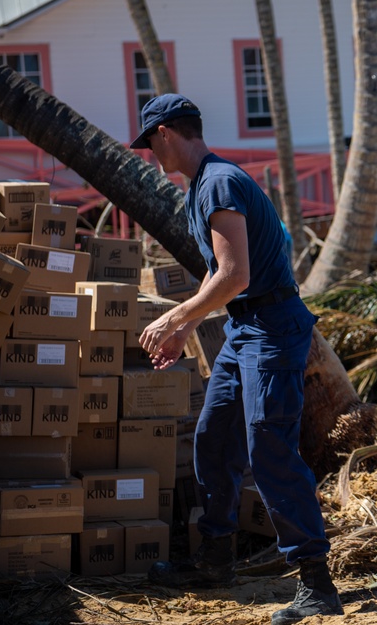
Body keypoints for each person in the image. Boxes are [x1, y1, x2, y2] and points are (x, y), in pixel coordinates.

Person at [130, 94, 342, 625]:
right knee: (214, 438)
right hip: (245, 328)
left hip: (272, 328)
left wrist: (173, 318)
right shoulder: (204, 186)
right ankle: (215, 559)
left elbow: (236, 276)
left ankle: (317, 583)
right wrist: (192, 325)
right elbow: (218, 275)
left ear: (165, 134)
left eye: (150, 143)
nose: (151, 154)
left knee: (269, 449)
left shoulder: (219, 183)